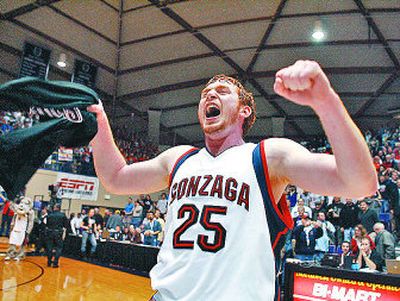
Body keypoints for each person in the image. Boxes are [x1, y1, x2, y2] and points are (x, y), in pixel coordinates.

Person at [88, 60, 377, 301]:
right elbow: (115, 178)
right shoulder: (178, 158)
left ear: (244, 111)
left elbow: (360, 183)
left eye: (222, 91)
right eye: (205, 93)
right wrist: (98, 119)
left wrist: (325, 100)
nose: (210, 95)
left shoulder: (267, 156)